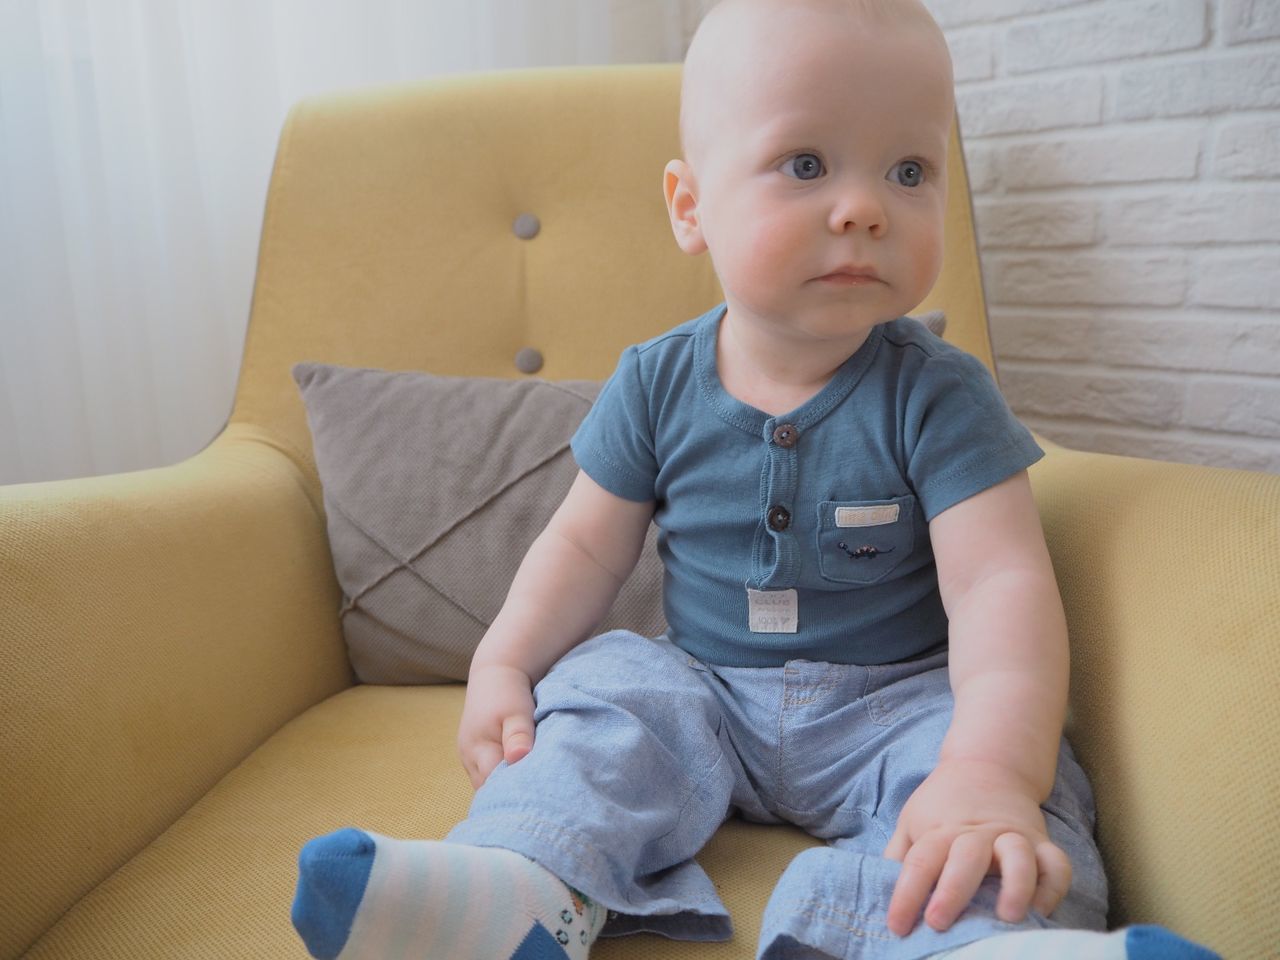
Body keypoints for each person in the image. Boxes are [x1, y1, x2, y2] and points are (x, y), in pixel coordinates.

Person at [291, 1, 1221, 958]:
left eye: (909, 170)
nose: (865, 206)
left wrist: (989, 767)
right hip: (704, 693)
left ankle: (970, 937)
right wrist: (503, 664)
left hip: (896, 703)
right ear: (692, 206)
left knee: (1013, 781)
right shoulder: (654, 379)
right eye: (807, 164)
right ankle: (517, 888)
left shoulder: (940, 393)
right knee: (608, 690)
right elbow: (579, 543)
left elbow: (1000, 583)